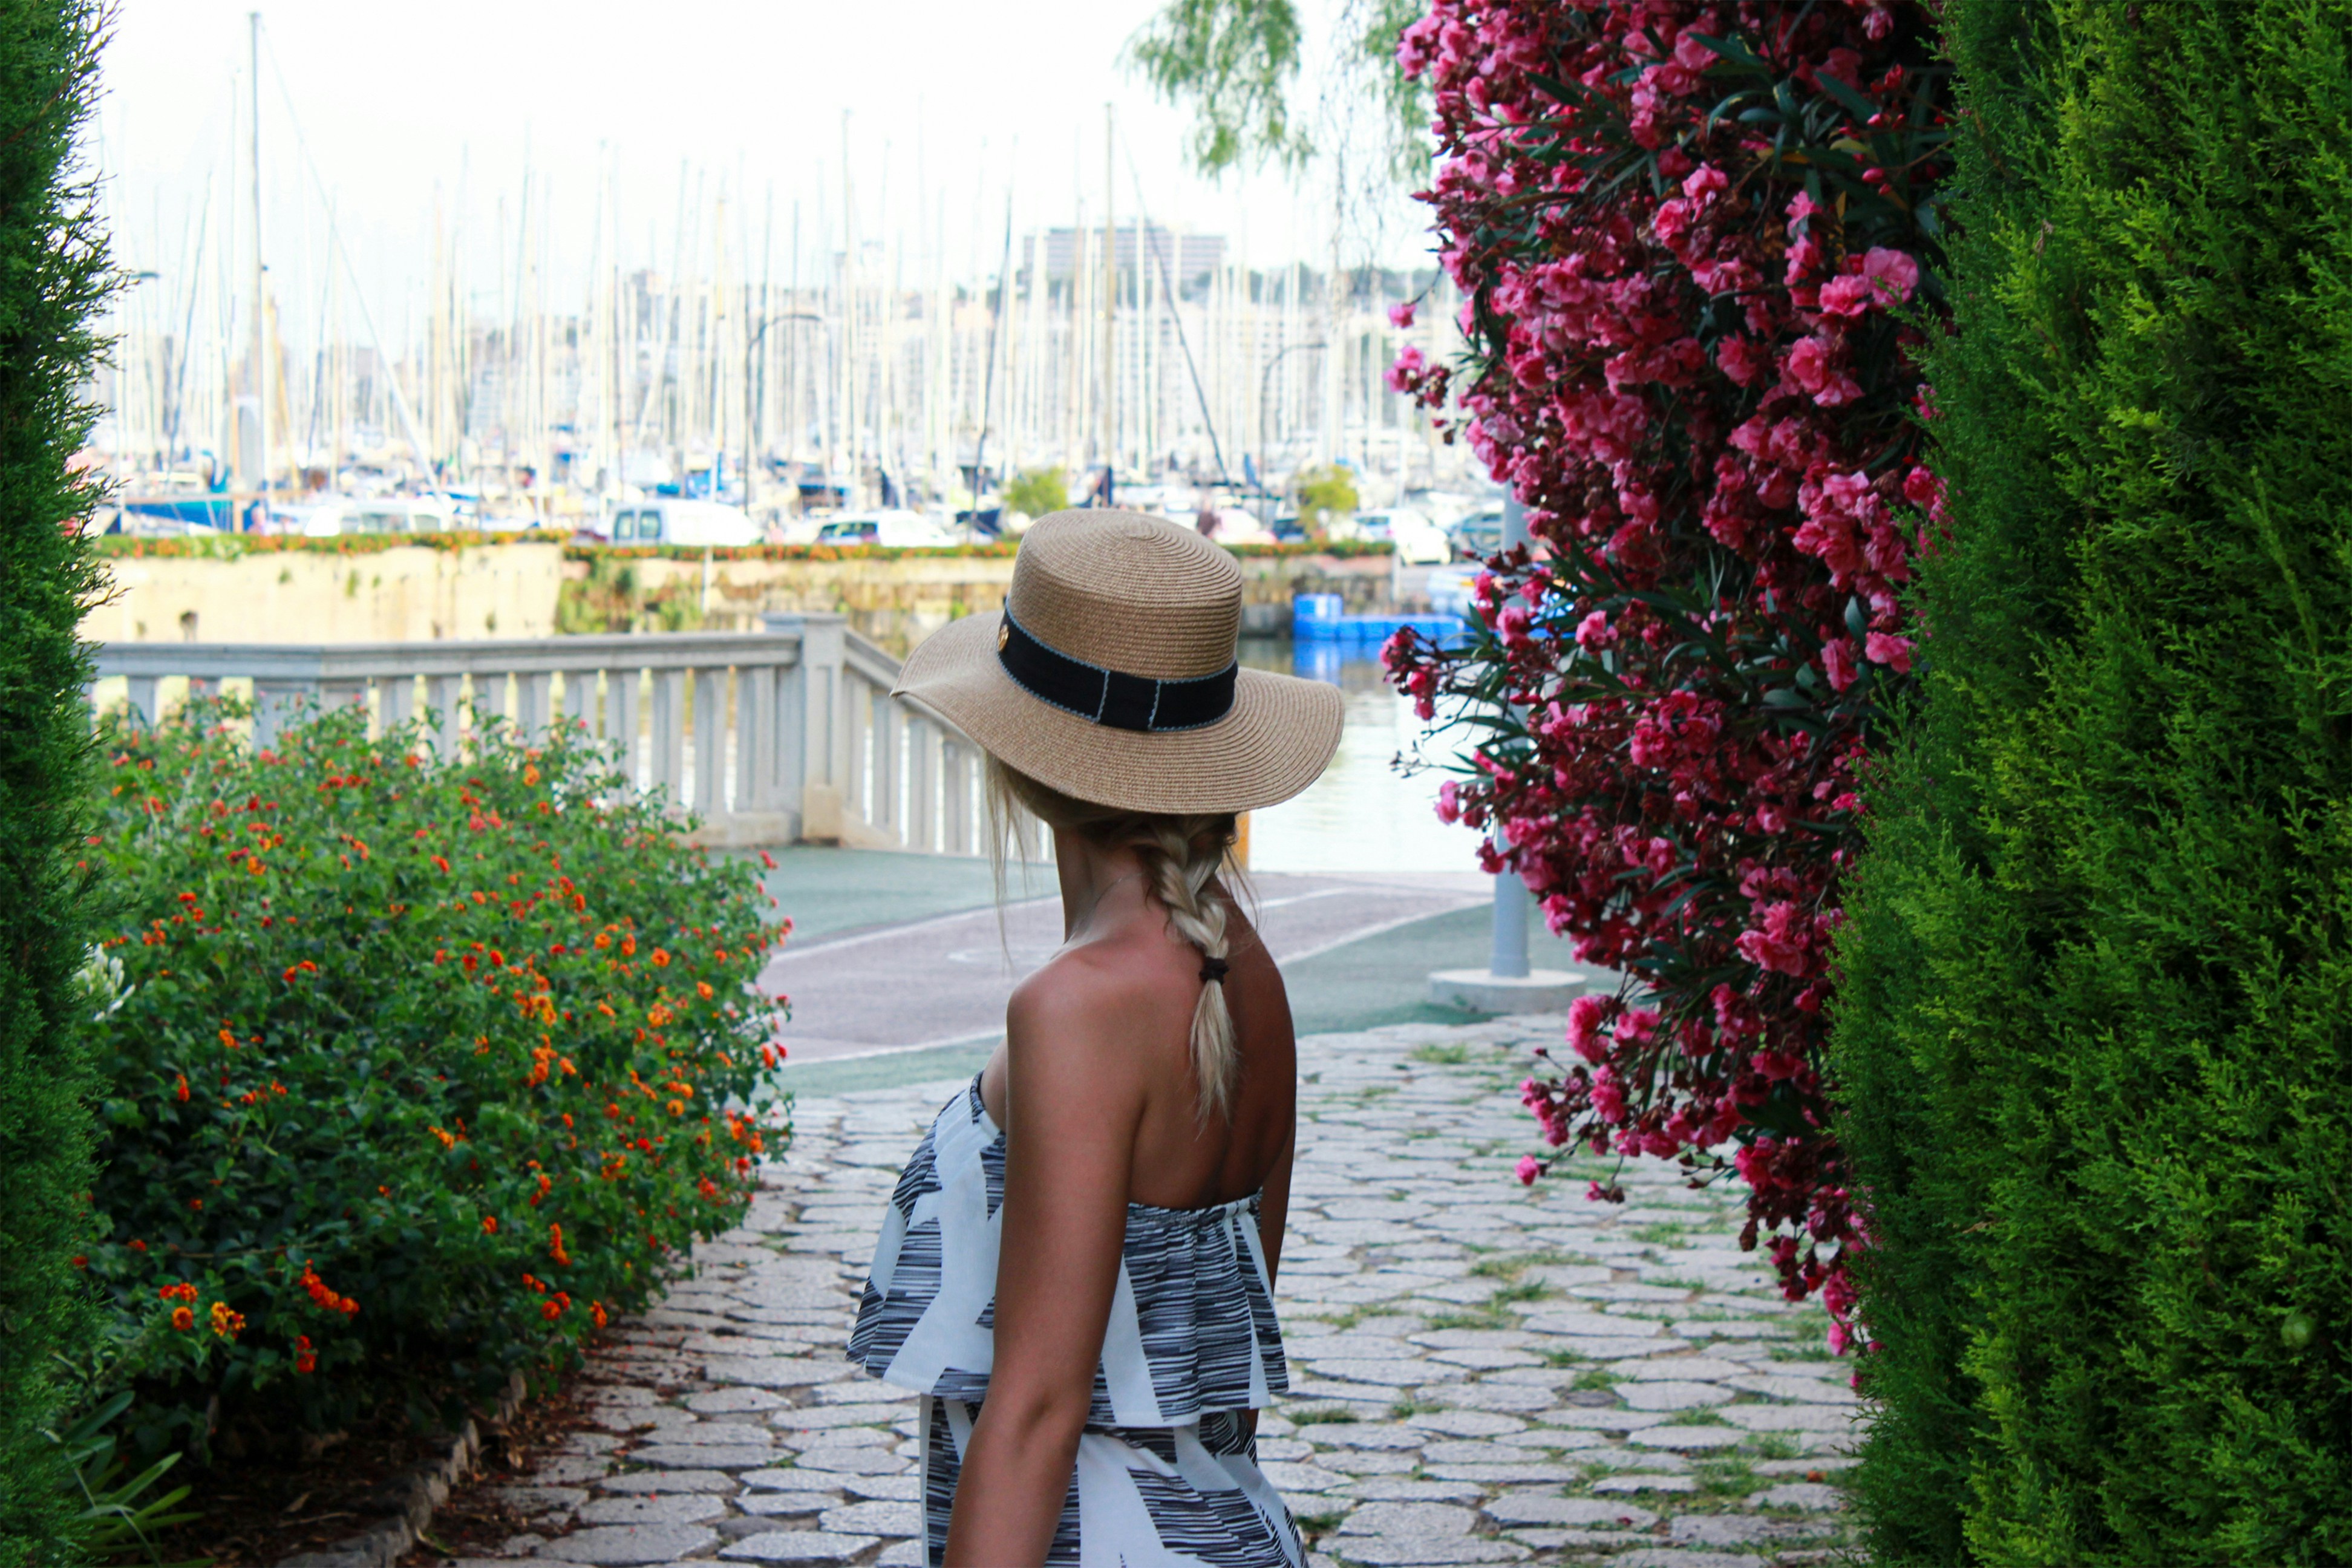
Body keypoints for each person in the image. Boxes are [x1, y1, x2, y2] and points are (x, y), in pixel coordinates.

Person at [848, 510, 1344, 1567]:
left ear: (1026, 758)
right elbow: (1222, 1343)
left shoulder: (1075, 1009)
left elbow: (1032, 1416)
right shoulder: (1242, 971)